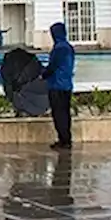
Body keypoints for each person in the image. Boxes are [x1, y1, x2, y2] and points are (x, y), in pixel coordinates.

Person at [42, 22, 75, 150]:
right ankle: (67, 139)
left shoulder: (58, 49)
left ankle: (63, 141)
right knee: (66, 113)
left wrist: (43, 75)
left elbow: (52, 67)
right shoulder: (68, 47)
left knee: (58, 114)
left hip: (56, 85)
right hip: (67, 85)